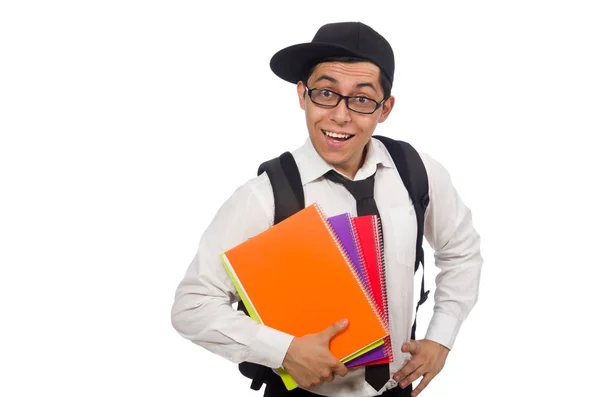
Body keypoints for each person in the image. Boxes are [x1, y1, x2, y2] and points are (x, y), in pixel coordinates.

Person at [171, 21, 483, 397]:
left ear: (385, 109)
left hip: (397, 390)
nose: (339, 115)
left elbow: (461, 250)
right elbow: (192, 306)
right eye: (325, 93)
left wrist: (441, 338)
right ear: (302, 95)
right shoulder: (265, 196)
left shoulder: (416, 171)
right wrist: (284, 352)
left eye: (362, 99)